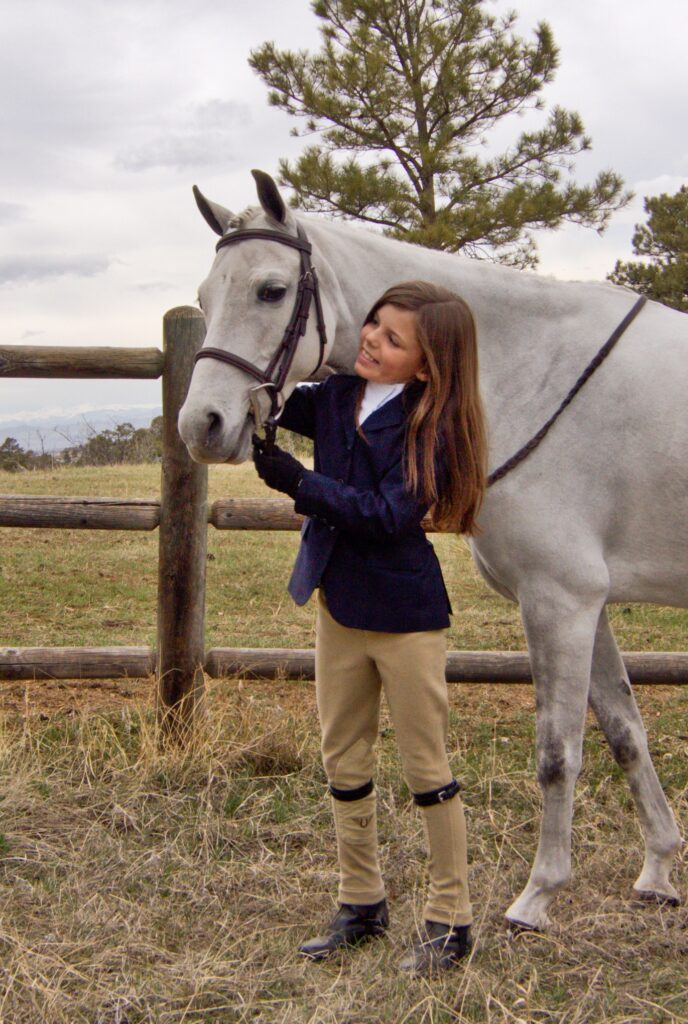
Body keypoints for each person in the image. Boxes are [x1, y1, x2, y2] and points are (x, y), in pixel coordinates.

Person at [251, 280, 487, 974]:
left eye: (392, 339)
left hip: (405, 617)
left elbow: (388, 516)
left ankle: (451, 919)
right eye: (372, 326)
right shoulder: (334, 397)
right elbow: (268, 389)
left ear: (426, 364)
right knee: (342, 760)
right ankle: (361, 902)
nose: (372, 341)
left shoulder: (432, 425)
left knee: (425, 768)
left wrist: (297, 482)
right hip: (337, 603)